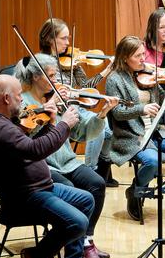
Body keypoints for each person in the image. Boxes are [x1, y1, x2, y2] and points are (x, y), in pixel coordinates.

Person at [14, 54, 117, 258]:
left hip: (67, 161)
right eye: (51, 76)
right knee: (74, 191)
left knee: (97, 183)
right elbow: (28, 137)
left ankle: (86, 239)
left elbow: (81, 133)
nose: (56, 81)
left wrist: (102, 114)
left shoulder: (61, 100)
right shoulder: (23, 102)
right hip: (45, 165)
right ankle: (73, 251)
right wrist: (51, 107)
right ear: (36, 77)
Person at [0, 74, 94, 258]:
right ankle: (36, 255)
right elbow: (35, 150)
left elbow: (30, 145)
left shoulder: (3, 123)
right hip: (26, 197)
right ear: (7, 99)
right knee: (77, 222)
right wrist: (64, 124)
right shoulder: (1, 128)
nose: (21, 100)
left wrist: (50, 124)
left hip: (41, 188)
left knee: (86, 200)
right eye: (18, 95)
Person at [104, 35, 165, 221]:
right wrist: (142, 108)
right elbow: (116, 112)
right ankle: (135, 190)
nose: (143, 59)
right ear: (125, 57)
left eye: (143, 54)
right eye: (138, 56)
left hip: (154, 131)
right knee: (153, 162)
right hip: (130, 136)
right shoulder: (115, 80)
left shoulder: (147, 75)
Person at [38, 17, 114, 182]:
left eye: (68, 38)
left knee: (107, 129)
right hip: (58, 113)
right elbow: (47, 93)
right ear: (50, 39)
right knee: (100, 130)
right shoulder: (41, 64)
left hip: (75, 106)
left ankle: (99, 167)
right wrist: (68, 94)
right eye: (64, 38)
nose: (68, 43)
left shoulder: (73, 61)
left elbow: (86, 86)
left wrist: (107, 70)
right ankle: (91, 170)